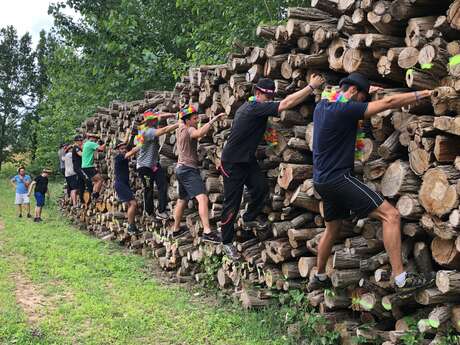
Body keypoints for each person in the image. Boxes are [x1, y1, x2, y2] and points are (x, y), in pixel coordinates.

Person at [308, 72, 432, 292]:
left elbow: (338, 92)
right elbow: (389, 102)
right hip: (339, 179)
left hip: (321, 180)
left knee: (332, 228)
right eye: (361, 99)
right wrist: (424, 93)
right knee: (391, 215)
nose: (363, 104)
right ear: (353, 92)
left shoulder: (323, 106)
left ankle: (318, 276)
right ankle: (401, 279)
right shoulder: (345, 110)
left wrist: (364, 91)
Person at [219, 75, 325, 260]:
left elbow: (265, 129)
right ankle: (226, 242)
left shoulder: (255, 108)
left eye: (271, 97)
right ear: (258, 93)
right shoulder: (253, 108)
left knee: (260, 188)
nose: (270, 101)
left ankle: (249, 218)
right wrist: (310, 86)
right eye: (268, 97)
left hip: (246, 160)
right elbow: (285, 104)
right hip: (232, 163)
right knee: (231, 204)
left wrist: (277, 146)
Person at [172, 106, 225, 242]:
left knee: (182, 199)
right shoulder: (189, 129)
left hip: (180, 169)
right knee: (202, 198)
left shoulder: (180, 127)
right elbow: (199, 133)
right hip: (188, 170)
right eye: (195, 119)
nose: (197, 121)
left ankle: (176, 229)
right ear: (188, 120)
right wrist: (213, 120)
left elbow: (180, 118)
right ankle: (207, 232)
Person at [135, 109, 178, 220]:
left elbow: (161, 116)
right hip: (144, 167)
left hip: (154, 165)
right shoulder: (146, 131)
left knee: (162, 185)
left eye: (155, 118)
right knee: (148, 189)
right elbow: (164, 130)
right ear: (148, 121)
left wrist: (173, 113)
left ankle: (161, 210)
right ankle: (149, 212)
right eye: (154, 119)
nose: (156, 120)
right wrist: (179, 123)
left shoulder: (150, 123)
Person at [114, 141, 139, 234]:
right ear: (118, 150)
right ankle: (131, 226)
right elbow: (133, 151)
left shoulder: (123, 158)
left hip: (124, 184)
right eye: (121, 149)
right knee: (133, 204)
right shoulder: (119, 157)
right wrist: (141, 140)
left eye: (125, 148)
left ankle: (132, 226)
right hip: (120, 185)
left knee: (130, 204)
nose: (124, 150)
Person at [81, 133, 106, 201]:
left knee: (95, 181)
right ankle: (96, 196)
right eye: (95, 138)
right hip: (89, 166)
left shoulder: (86, 144)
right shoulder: (91, 143)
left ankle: (94, 196)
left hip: (85, 166)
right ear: (91, 137)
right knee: (100, 180)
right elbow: (101, 148)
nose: (96, 140)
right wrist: (107, 142)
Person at [72, 135, 85, 204]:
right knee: (86, 179)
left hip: (79, 167)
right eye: (80, 141)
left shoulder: (78, 147)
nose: (81, 142)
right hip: (78, 168)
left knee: (81, 183)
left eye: (82, 140)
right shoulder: (76, 148)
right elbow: (81, 154)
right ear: (76, 141)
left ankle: (81, 198)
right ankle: (82, 198)